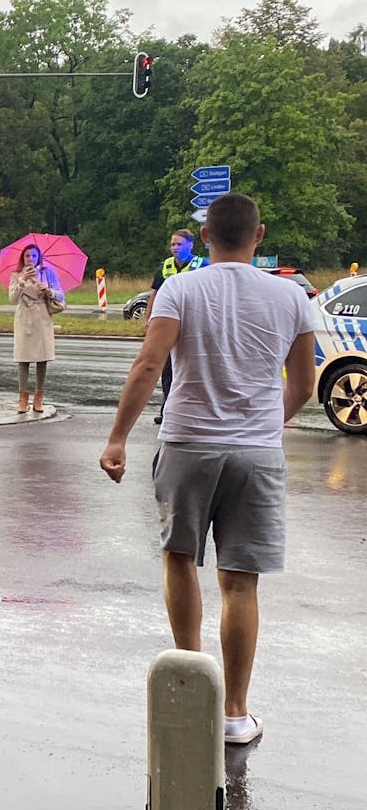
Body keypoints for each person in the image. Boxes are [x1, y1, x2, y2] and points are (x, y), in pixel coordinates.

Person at [99, 193, 319, 746]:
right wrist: (273, 422)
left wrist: (118, 439)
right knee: (241, 583)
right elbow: (305, 384)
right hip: (257, 453)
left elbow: (150, 364)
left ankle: (191, 690)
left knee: (180, 561)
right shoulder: (291, 296)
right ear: (259, 236)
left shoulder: (179, 289)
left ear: (204, 239)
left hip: (188, 444)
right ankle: (235, 714)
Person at [146, 229, 206, 423]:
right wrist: (148, 318)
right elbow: (154, 293)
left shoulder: (201, 265)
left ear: (190, 245)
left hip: (194, 323)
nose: (175, 248)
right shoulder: (166, 266)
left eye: (179, 244)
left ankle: (194, 410)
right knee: (168, 371)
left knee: (193, 369)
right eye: (172, 244)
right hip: (169, 324)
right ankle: (167, 410)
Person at [9, 244, 64, 414]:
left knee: (42, 358)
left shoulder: (47, 273)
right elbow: (12, 298)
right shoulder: (16, 275)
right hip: (24, 317)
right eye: (27, 256)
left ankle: (38, 397)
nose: (30, 259)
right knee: (23, 359)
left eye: (33, 255)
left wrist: (48, 290)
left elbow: (60, 294)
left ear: (38, 257)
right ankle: (23, 399)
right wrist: (21, 281)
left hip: (42, 318)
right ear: (22, 258)